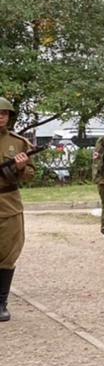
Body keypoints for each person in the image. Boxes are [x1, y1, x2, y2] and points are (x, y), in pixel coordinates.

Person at [0, 97, 35, 323]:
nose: (1, 116)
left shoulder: (18, 143)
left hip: (8, 203)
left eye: (4, 113)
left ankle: (1, 301)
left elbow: (30, 175)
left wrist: (21, 168)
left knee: (8, 252)